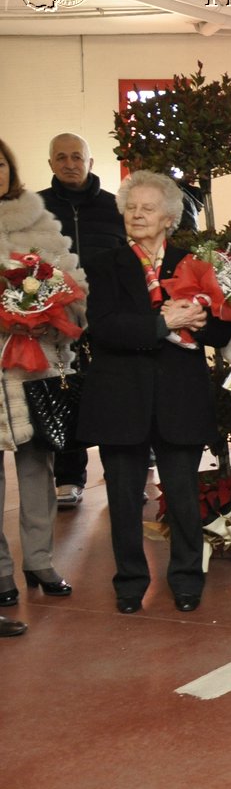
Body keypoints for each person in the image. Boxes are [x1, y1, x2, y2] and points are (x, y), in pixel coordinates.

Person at [77, 170, 231, 614]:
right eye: (130, 207)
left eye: (147, 208)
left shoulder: (193, 263)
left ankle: (187, 578)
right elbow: (104, 329)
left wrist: (201, 318)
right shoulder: (105, 264)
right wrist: (165, 323)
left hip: (179, 397)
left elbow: (222, 330)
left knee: (183, 495)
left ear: (169, 217)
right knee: (124, 499)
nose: (136, 215)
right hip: (119, 398)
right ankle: (129, 582)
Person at [0, 137, 86, 605]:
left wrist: (48, 309)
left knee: (37, 469)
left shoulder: (38, 220)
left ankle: (39, 560)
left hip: (34, 365)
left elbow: (73, 284)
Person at [40, 133, 124, 510]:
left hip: (107, 319)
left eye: (77, 156)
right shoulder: (36, 208)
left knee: (111, 398)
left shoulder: (115, 207)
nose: (70, 163)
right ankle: (69, 476)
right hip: (55, 322)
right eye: (62, 157)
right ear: (51, 164)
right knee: (64, 396)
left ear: (91, 162)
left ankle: (121, 476)